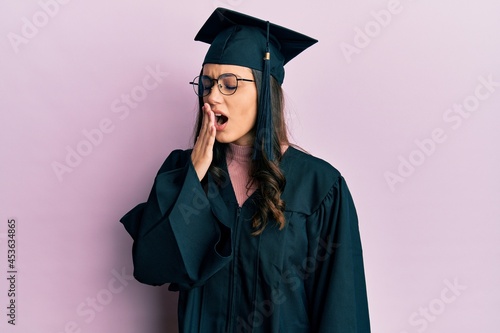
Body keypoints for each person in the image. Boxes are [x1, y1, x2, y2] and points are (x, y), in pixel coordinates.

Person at [120, 7, 371, 333]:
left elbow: (342, 312)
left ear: (265, 91)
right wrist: (192, 178)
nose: (211, 96)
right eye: (207, 83)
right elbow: (152, 267)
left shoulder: (319, 187)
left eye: (229, 84)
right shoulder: (183, 172)